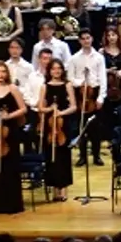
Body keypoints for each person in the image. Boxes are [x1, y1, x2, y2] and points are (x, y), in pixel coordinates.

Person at [0, 59, 28, 214]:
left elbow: (23, 109)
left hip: (10, 132)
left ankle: (12, 204)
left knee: (10, 167)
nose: (1, 74)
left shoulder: (12, 88)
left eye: (3, 71)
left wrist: (9, 116)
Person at [67, 28, 107, 167]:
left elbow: (103, 78)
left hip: (94, 93)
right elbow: (70, 78)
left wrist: (101, 97)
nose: (86, 41)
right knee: (81, 128)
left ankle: (96, 155)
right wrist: (81, 83)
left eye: (88, 38)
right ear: (79, 41)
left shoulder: (99, 58)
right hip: (80, 94)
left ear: (92, 39)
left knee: (96, 128)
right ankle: (82, 156)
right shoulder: (74, 58)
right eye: (83, 39)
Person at [39, 58, 78, 201]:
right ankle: (55, 189)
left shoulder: (68, 85)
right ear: (49, 71)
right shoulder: (44, 86)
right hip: (50, 125)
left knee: (63, 157)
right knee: (51, 157)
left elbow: (73, 106)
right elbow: (41, 107)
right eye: (53, 69)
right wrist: (50, 109)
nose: (56, 71)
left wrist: (61, 113)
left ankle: (64, 190)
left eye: (59, 68)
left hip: (62, 124)